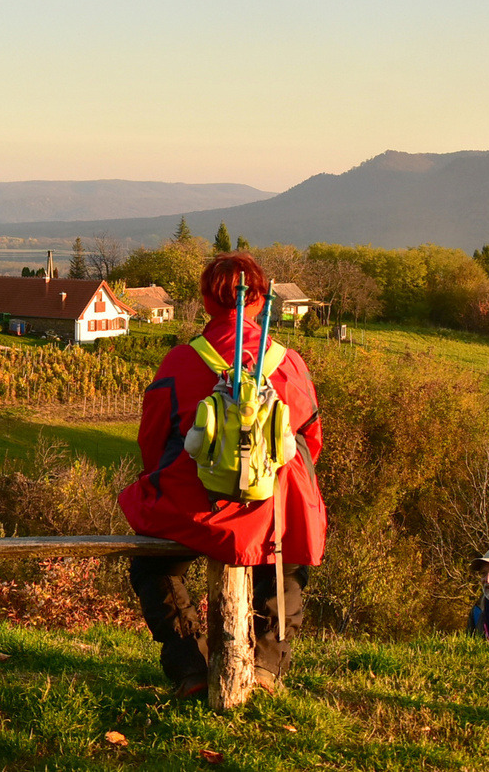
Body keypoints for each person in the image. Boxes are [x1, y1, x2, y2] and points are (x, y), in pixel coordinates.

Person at [118, 252, 327, 697]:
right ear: (260, 298)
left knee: (151, 565)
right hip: (272, 511)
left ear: (207, 299)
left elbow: (152, 441)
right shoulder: (289, 362)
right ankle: (268, 667)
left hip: (196, 508)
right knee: (285, 563)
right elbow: (311, 441)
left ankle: (189, 664)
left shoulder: (181, 361)